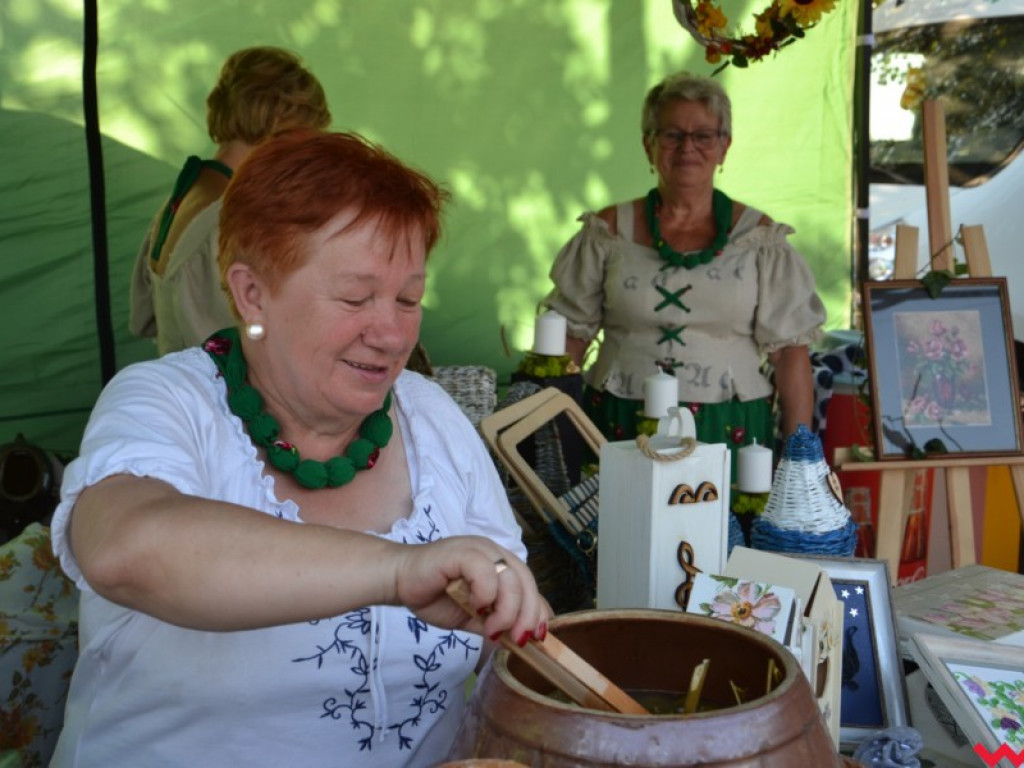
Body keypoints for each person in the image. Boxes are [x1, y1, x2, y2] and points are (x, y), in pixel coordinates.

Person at [51, 129, 548, 767]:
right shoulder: (166, 402)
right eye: (355, 297)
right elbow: (125, 550)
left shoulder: (430, 416)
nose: (391, 333)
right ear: (252, 292)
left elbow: (503, 643)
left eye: (408, 298)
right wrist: (396, 570)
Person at [542, 71, 826, 471]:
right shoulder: (607, 232)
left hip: (729, 429)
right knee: (619, 529)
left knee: (722, 531)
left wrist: (801, 457)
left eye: (703, 136)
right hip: (617, 423)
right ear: (649, 145)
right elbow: (569, 336)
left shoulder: (759, 239)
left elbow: (790, 354)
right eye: (672, 135)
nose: (687, 147)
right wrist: (551, 429)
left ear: (724, 146)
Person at [129, 46, 332, 355]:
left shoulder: (185, 196)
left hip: (180, 383)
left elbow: (143, 319)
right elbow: (256, 345)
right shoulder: (229, 216)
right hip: (219, 395)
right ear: (280, 122)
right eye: (308, 137)